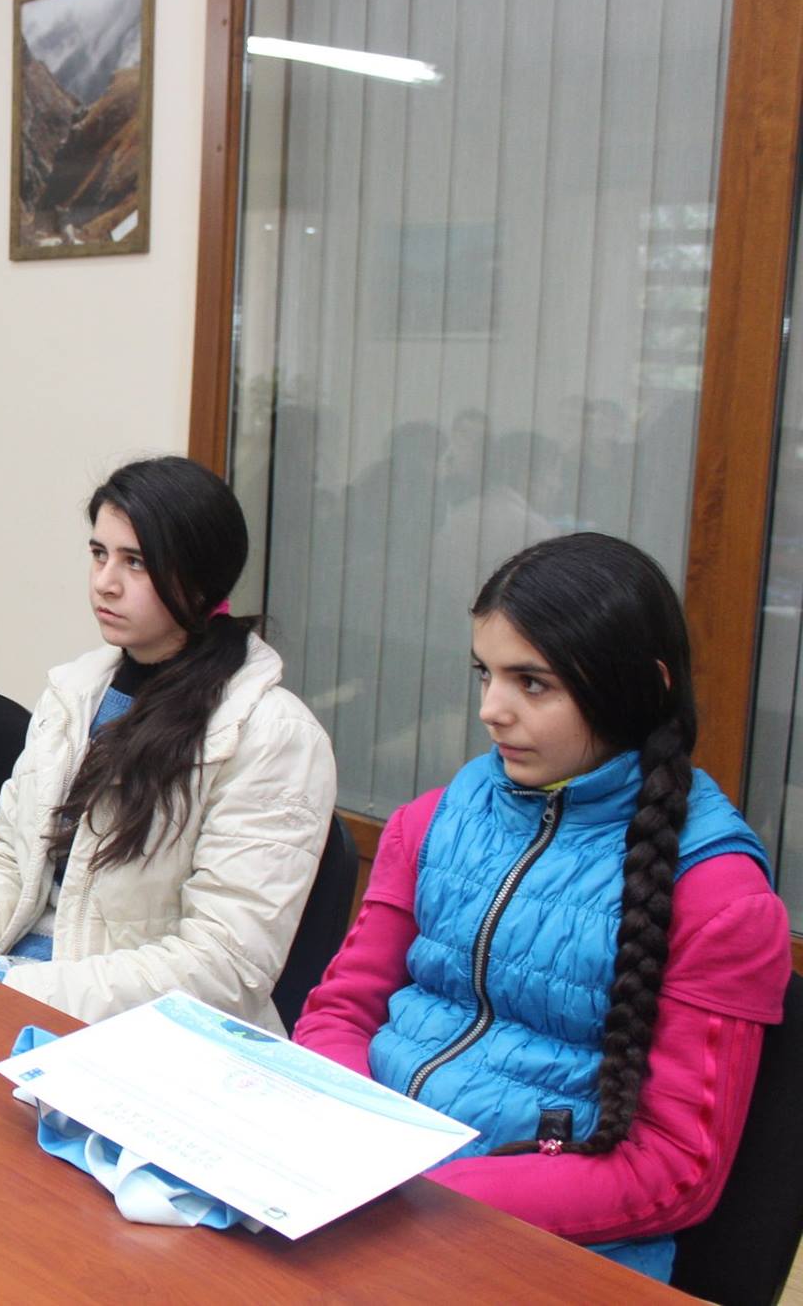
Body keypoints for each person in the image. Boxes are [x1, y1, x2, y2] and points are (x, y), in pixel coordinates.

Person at [293, 533, 789, 1282]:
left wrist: (426, 1193)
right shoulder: (434, 821)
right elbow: (339, 1012)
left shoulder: (718, 899)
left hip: (539, 1253)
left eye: (532, 683)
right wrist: (353, 1137)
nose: (491, 710)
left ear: (642, 687)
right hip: (362, 1193)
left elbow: (673, 1173)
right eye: (485, 673)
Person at [0, 456, 336, 1030]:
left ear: (202, 576)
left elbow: (223, 967)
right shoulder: (75, 693)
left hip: (139, 1033)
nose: (105, 582)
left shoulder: (273, 735)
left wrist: (12, 985)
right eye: (99, 554)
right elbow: (11, 853)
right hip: (17, 984)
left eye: (136, 562)